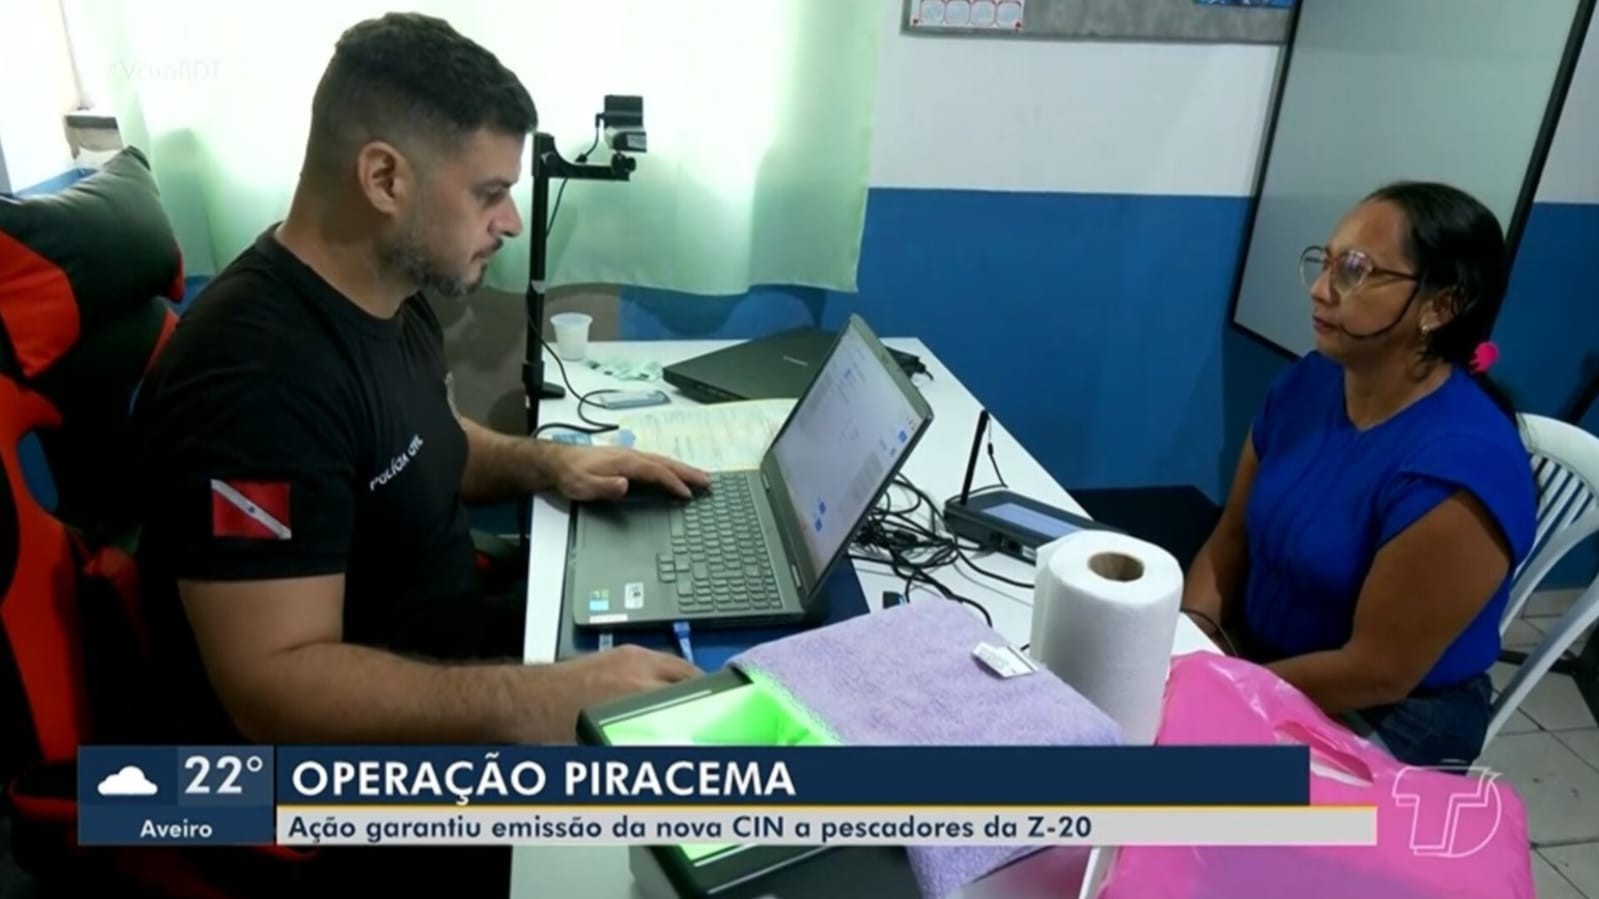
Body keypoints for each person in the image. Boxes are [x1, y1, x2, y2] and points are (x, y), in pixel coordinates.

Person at [1181, 181, 1537, 768]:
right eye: (1324, 263)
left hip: (1389, 712)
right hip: (1264, 660)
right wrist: (1193, 640)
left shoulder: (1461, 472)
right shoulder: (1308, 383)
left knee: (1160, 791)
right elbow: (1231, 538)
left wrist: (1228, 689)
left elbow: (1376, 672)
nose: (1321, 289)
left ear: (1441, 306)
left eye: (1355, 270)